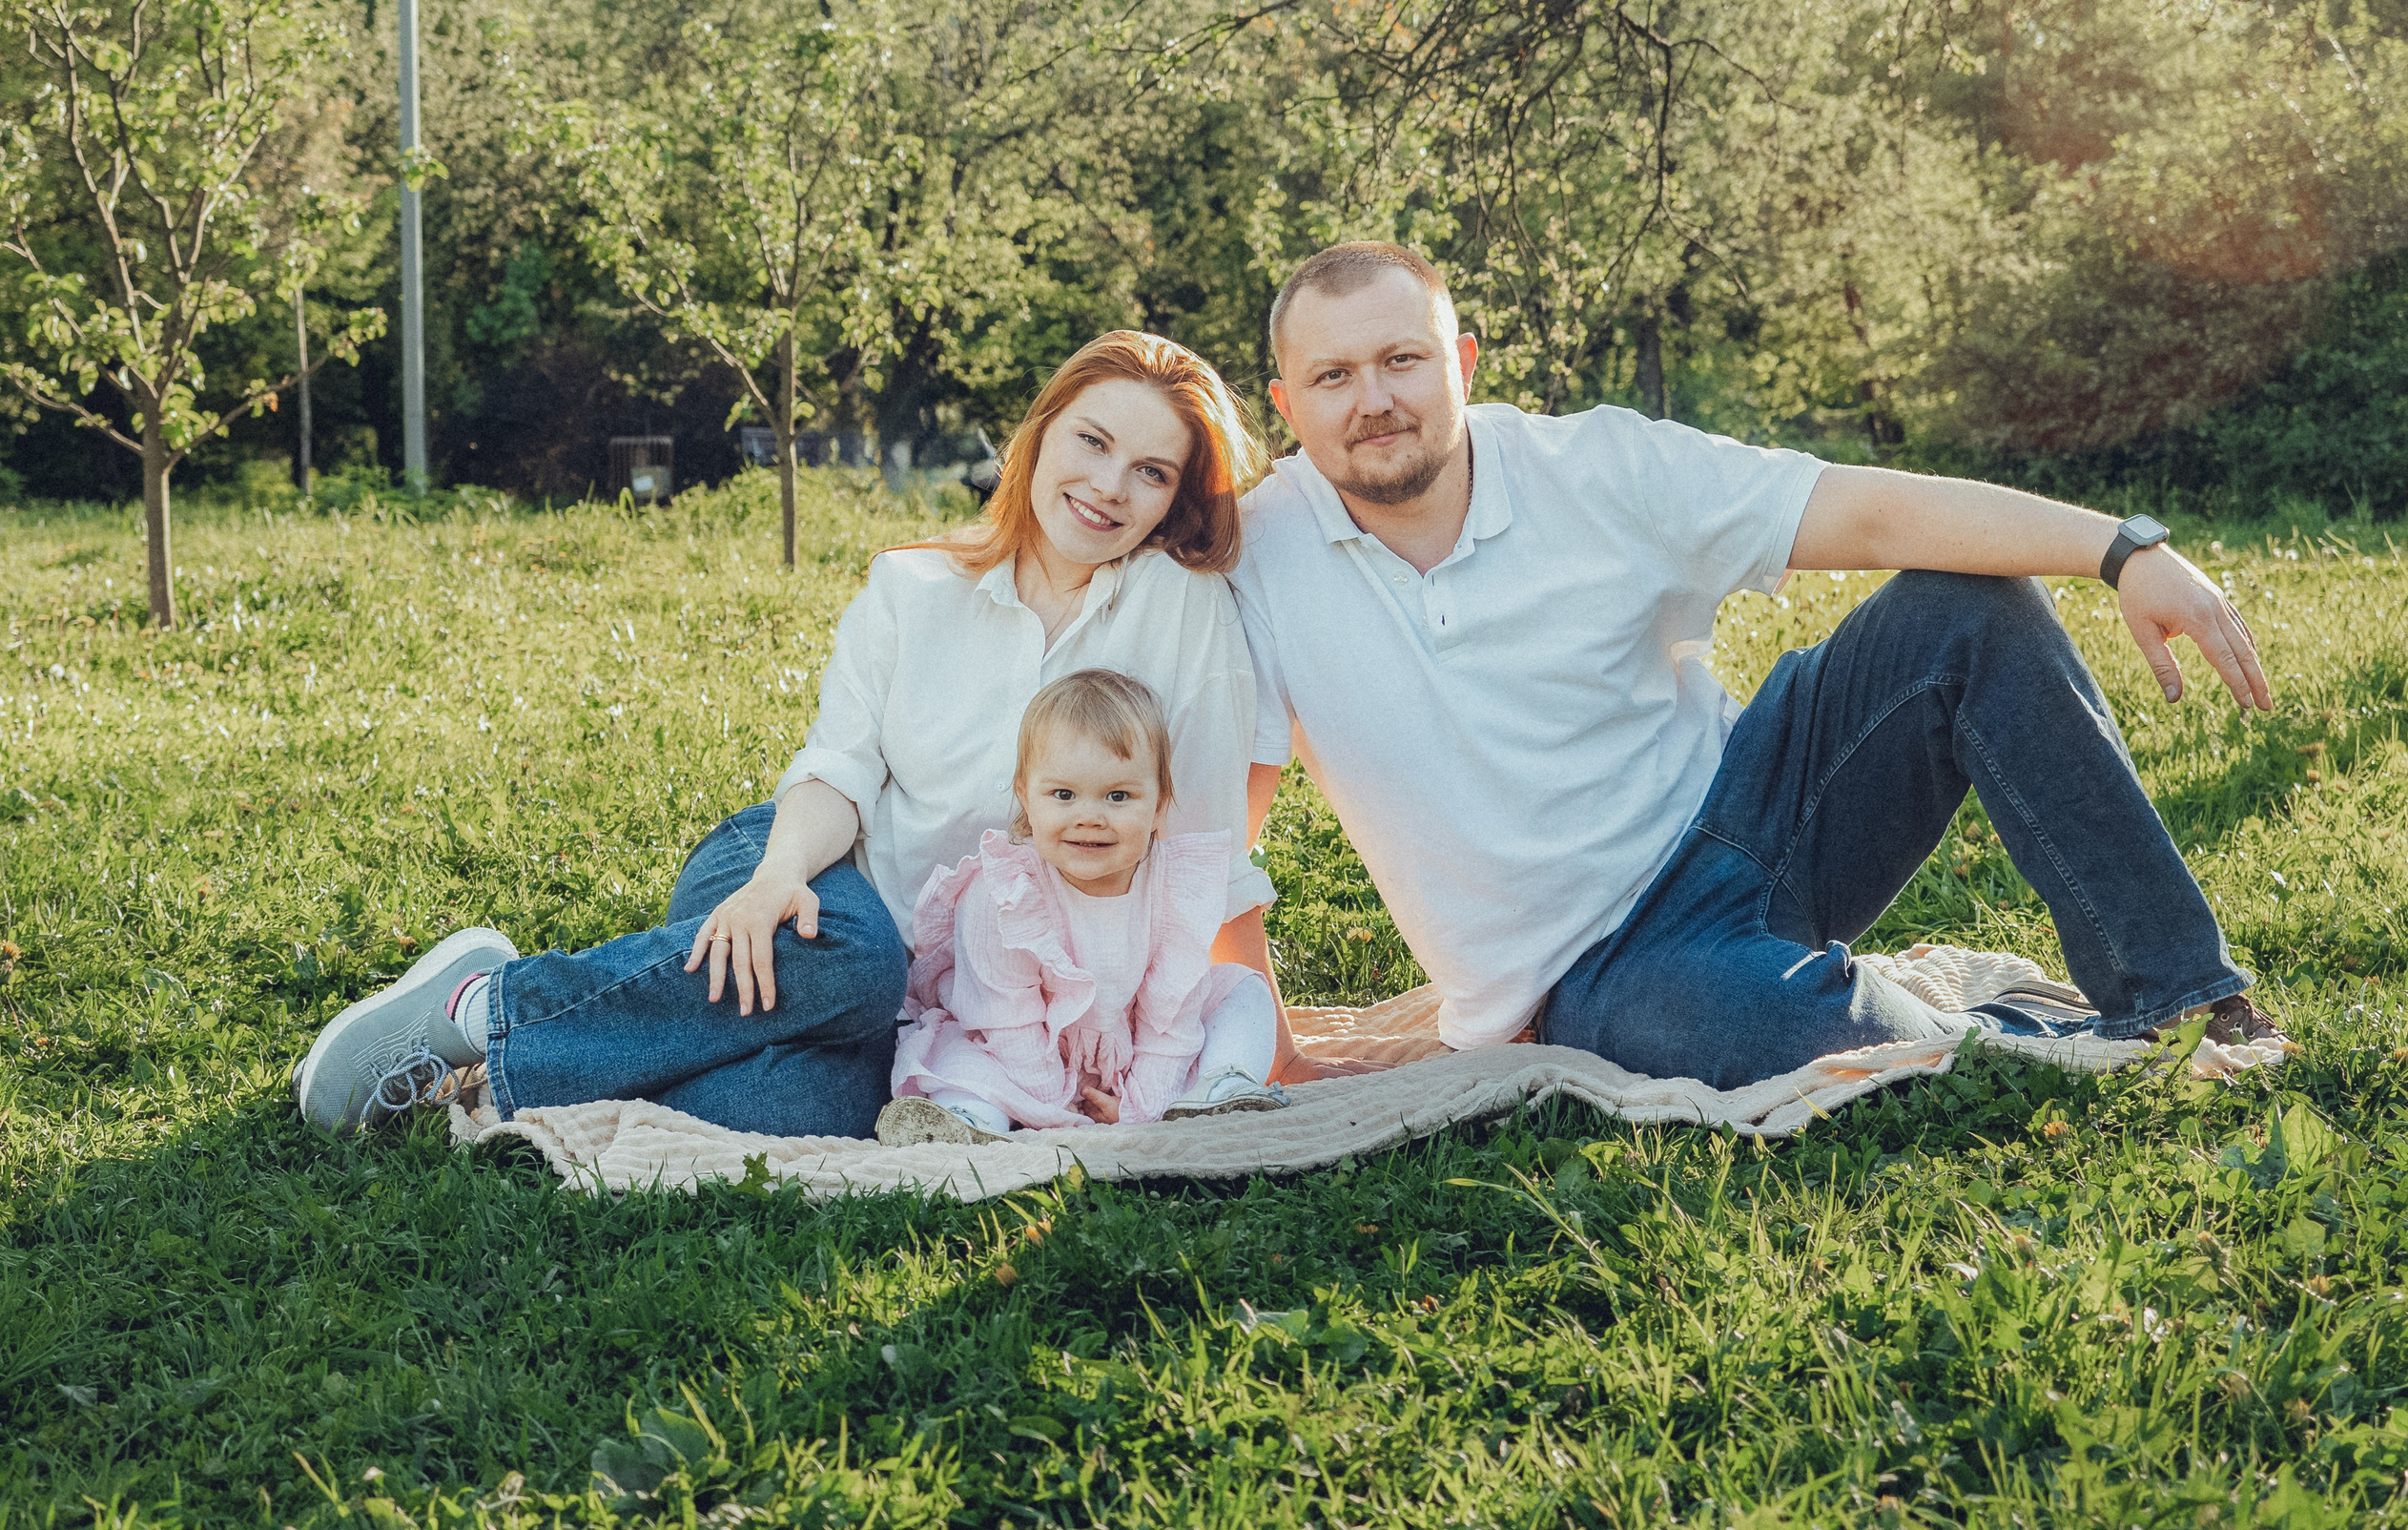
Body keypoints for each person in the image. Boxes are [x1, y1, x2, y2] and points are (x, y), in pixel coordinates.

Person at [1225, 240, 2283, 1092]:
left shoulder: (1593, 466)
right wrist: (1266, 1045)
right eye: (1334, 375)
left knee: (1970, 607)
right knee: (1766, 1023)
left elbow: (1864, 510)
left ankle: (2179, 1000)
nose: (1374, 400)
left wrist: (2121, 548)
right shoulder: (1253, 555)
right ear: (1286, 404)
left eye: (1401, 360)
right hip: (1602, 965)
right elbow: (1218, 832)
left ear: (1458, 365)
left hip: (1758, 813)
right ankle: (1983, 1035)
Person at [292, 331, 1283, 1138]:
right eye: (1092, 442)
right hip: (813, 879)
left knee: (812, 1108)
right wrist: (776, 880)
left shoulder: (1182, 610)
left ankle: (491, 1088)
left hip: (938, 996)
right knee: (858, 961)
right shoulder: (913, 587)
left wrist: (1227, 1029)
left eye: (1151, 472)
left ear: (1173, 499)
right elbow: (839, 771)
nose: (1110, 486)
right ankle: (483, 1008)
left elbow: (1198, 845)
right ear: (1042, 434)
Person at [876, 670, 1286, 1145]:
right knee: (963, 1062)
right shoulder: (1004, 893)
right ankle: (971, 1122)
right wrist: (1055, 1105)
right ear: (1026, 800)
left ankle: (1220, 1089)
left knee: (1243, 992)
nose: (1089, 817)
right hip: (1020, 1056)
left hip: (1132, 1051)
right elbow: (1006, 1019)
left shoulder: (1173, 887)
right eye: (1064, 795)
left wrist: (1143, 1106)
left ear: (1157, 808)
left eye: (1118, 796)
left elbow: (1169, 1016)